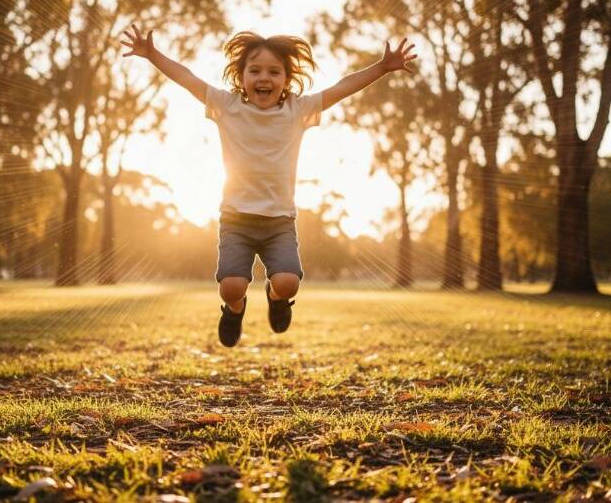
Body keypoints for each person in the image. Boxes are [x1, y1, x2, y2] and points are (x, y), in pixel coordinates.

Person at [122, 25, 416, 347]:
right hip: (236, 219)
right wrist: (152, 55)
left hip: (279, 222)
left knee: (288, 282)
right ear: (241, 76)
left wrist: (382, 67)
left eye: (274, 72)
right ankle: (235, 310)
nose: (265, 78)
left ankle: (276, 299)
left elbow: (342, 87)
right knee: (231, 286)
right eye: (255, 70)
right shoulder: (226, 106)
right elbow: (187, 77)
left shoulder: (298, 111)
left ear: (287, 80)